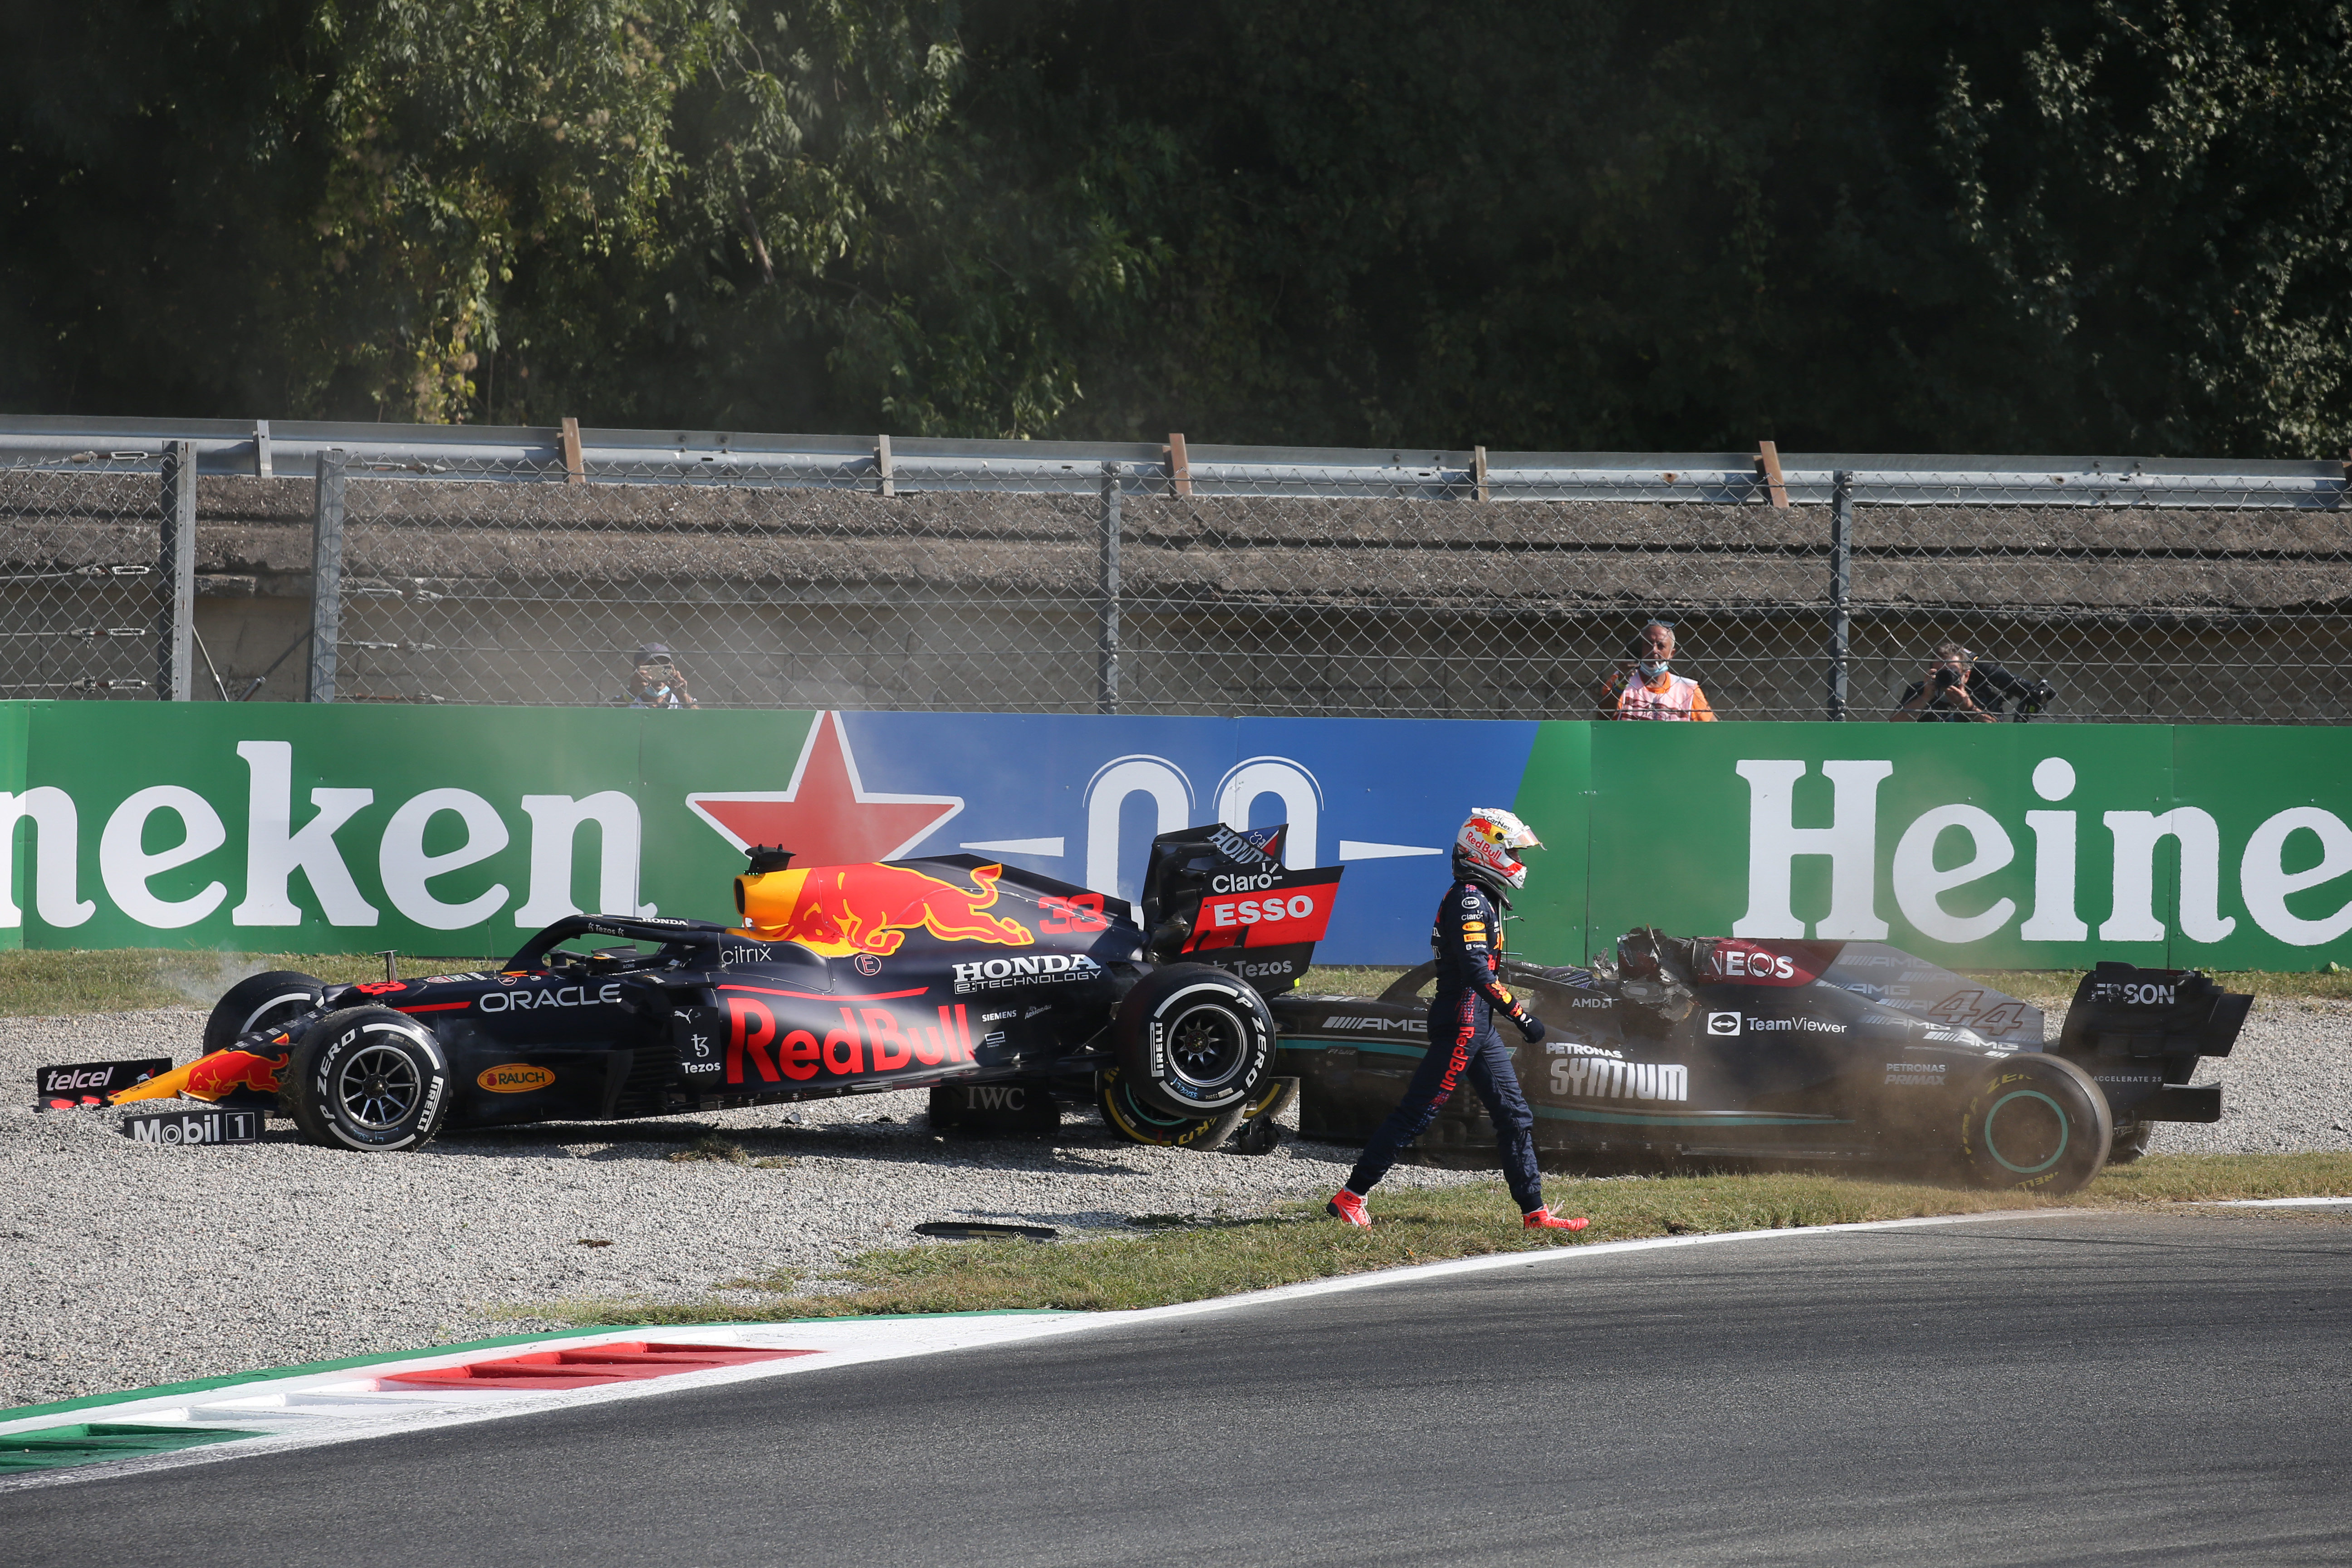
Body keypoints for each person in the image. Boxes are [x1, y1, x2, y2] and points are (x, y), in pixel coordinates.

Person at [1328, 808, 1589, 1232]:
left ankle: (1535, 1214)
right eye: (1514, 851)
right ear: (1486, 851)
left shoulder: (1481, 896)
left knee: (1514, 1116)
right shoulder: (1469, 897)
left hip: (1478, 1026)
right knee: (1417, 1114)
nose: (1521, 861)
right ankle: (1350, 1197)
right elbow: (1475, 969)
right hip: (1464, 1024)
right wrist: (1522, 1017)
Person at [1891, 642, 2052, 722]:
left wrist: (1968, 707)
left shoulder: (1981, 693)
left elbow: (1997, 732)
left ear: (1966, 675)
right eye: (1940, 672)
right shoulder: (1920, 690)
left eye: (1952, 672)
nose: (1946, 677)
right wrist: (1925, 697)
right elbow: (1893, 725)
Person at [1598, 620, 1715, 720]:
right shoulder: (1620, 679)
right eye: (1648, 644)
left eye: (1661, 646)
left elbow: (1713, 728)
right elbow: (1602, 718)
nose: (1654, 650)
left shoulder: (1688, 689)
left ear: (1671, 654)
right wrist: (1621, 685)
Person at [625, 643, 700, 709]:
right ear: (636, 671)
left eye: (664, 668)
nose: (658, 673)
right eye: (651, 668)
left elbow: (701, 721)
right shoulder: (627, 702)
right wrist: (631, 694)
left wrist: (683, 697)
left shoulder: (679, 701)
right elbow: (614, 714)